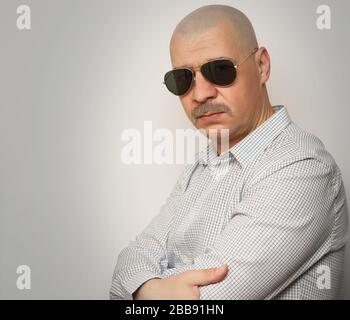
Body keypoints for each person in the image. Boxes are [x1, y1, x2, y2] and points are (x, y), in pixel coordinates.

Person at [110, 4, 349, 299]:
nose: (200, 94)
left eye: (220, 70)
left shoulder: (303, 168)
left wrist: (145, 288)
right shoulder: (200, 168)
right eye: (182, 79)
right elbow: (127, 263)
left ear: (261, 65)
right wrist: (155, 290)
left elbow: (209, 301)